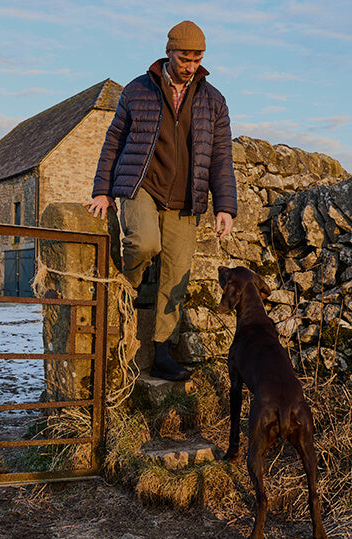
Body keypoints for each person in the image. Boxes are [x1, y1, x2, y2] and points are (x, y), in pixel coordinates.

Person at [85, 20, 237, 382]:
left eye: (197, 58)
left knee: (177, 277)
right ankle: (128, 288)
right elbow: (114, 141)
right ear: (169, 53)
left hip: (186, 199)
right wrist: (102, 190)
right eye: (185, 58)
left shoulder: (214, 100)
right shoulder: (138, 90)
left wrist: (225, 206)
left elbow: (221, 156)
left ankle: (163, 354)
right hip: (142, 187)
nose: (191, 65)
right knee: (143, 243)